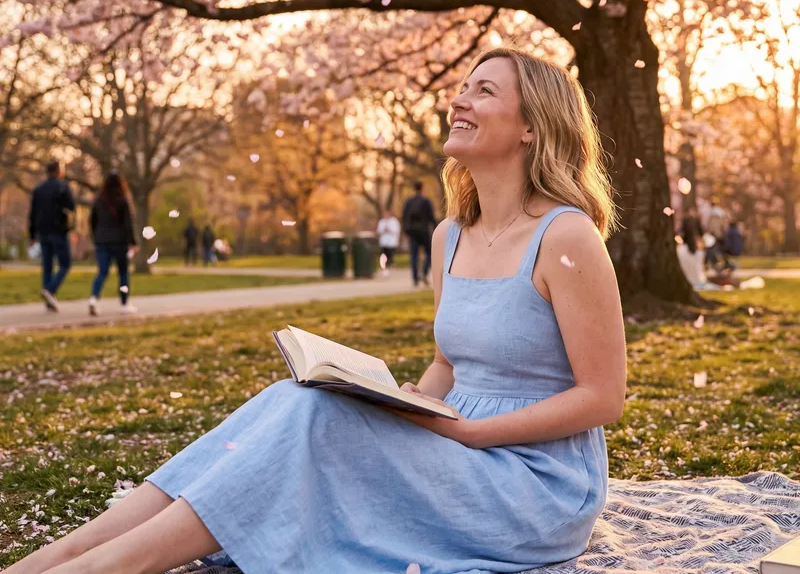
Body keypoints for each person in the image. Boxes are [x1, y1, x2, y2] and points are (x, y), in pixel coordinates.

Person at [7, 47, 626, 574]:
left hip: (534, 485)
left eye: (483, 91)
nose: (458, 100)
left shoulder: (567, 236)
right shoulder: (450, 236)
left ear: (531, 126)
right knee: (295, 399)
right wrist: (407, 399)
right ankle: (50, 560)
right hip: (456, 445)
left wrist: (468, 430)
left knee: (314, 418)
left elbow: (603, 396)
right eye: (461, 88)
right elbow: (448, 362)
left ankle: (98, 569)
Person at [28, 160, 76, 313]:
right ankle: (50, 289)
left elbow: (33, 213)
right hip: (58, 230)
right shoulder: (62, 187)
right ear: (58, 171)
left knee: (47, 265)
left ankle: (49, 302)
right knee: (65, 264)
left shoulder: (38, 189)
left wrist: (32, 234)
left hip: (42, 231)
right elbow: (71, 206)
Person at [88, 171, 139, 317]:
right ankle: (124, 304)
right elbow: (129, 223)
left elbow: (92, 221)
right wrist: (133, 242)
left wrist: (96, 236)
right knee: (123, 273)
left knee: (102, 272)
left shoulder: (99, 200)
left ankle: (93, 299)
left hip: (102, 241)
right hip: (119, 242)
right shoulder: (123, 200)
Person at [402, 181, 436, 287]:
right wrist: (436, 228)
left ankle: (415, 279)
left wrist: (405, 231)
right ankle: (424, 273)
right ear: (422, 188)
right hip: (423, 231)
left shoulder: (409, 201)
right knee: (429, 253)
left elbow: (404, 216)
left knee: (414, 255)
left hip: (412, 232)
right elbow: (431, 217)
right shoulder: (426, 201)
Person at [376, 206, 401, 276]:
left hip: (391, 241)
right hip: (383, 241)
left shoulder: (394, 221)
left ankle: (392, 264)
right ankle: (385, 266)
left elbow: (396, 231)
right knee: (384, 254)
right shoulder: (382, 222)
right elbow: (378, 231)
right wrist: (383, 229)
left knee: (391, 254)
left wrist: (389, 229)